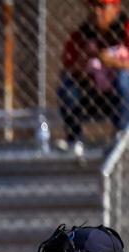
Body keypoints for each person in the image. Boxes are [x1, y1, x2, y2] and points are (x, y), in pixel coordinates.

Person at [57, 0, 129, 157]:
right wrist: (84, 59)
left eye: (101, 6)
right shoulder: (83, 35)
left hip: (120, 99)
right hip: (92, 98)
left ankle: (122, 137)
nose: (96, 11)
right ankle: (75, 142)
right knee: (67, 85)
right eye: (93, 6)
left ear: (116, 9)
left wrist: (114, 62)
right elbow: (68, 69)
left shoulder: (125, 30)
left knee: (124, 78)